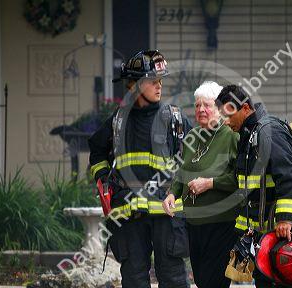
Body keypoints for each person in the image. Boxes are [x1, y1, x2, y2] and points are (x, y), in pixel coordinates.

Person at [88, 50, 191, 288]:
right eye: (153, 81)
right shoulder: (118, 121)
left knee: (173, 278)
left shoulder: (174, 118)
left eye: (161, 81)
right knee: (134, 279)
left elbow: (193, 157)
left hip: (167, 214)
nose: (159, 86)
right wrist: (103, 180)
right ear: (134, 85)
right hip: (129, 214)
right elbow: (96, 149)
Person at [215, 85, 292, 288]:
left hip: (286, 233)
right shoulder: (249, 135)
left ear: (245, 108)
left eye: (228, 115)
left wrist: (286, 218)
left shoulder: (269, 132)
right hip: (266, 236)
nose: (225, 121)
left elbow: (289, 177)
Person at [162, 81, 241, 288]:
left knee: (213, 281)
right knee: (200, 280)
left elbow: (240, 178)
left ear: (219, 109)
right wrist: (172, 194)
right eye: (197, 106)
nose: (201, 110)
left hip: (222, 222)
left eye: (207, 105)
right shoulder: (192, 136)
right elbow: (182, 172)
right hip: (194, 223)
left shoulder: (231, 135)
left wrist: (211, 183)